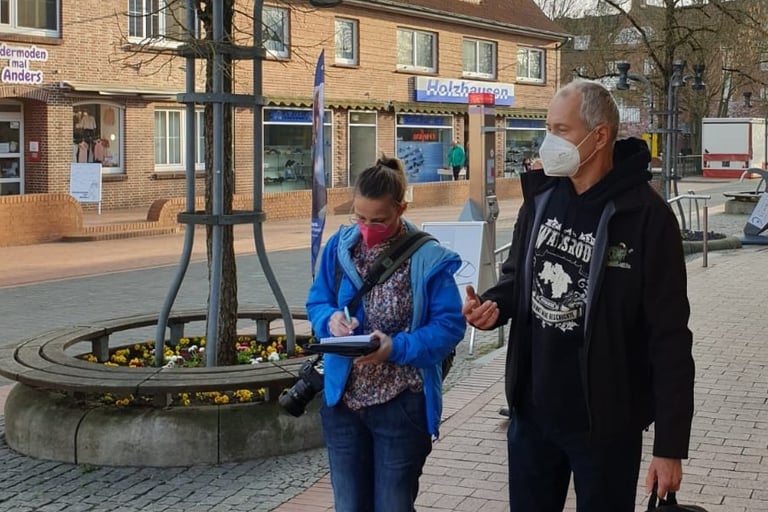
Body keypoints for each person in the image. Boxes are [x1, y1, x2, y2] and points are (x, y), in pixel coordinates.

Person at [463, 79, 694, 512]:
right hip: (532, 416)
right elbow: (518, 276)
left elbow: (670, 337)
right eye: (548, 129)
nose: (550, 142)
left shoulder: (646, 217)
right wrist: (494, 305)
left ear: (599, 135)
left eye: (561, 130)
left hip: (606, 426)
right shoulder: (543, 197)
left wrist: (669, 445)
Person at [306, 156, 466, 512]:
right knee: (348, 504)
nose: (366, 227)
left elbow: (449, 326)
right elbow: (317, 301)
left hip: (401, 405)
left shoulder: (427, 257)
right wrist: (330, 320)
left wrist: (396, 347)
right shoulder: (340, 246)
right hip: (343, 402)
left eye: (378, 220)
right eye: (359, 218)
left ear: (401, 208)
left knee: (393, 504)